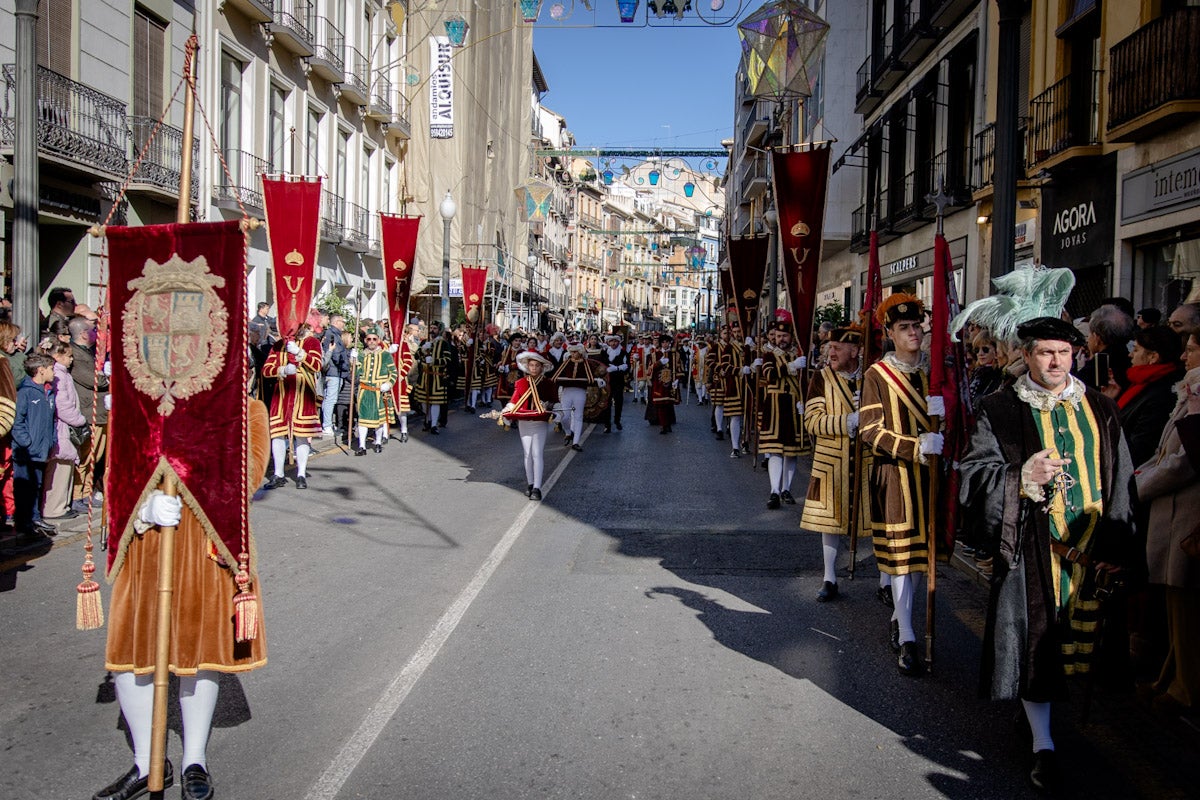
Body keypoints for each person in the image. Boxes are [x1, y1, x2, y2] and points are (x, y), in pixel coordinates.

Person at [959, 316, 1136, 793]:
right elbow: (974, 477)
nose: (1055, 362)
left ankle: (1040, 721)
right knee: (1037, 649)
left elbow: (1122, 480)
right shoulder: (999, 408)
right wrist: (1021, 478)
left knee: (1077, 650)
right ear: (1028, 355)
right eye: (1044, 353)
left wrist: (1118, 546)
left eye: (1063, 352)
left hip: (1092, 553)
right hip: (1034, 548)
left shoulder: (1101, 406)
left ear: (1075, 354)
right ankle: (1044, 745)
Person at [93, 400, 270, 800]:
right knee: (130, 659)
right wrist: (142, 507)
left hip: (207, 546)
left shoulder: (245, 406)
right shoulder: (139, 406)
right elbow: (113, 475)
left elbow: (250, 474)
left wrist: (189, 477)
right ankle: (145, 763)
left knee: (196, 658)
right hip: (145, 545)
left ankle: (195, 759)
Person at [859, 294, 943, 677]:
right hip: (895, 475)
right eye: (904, 328)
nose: (914, 333)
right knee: (901, 556)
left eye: (917, 326)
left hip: (931, 477)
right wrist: (915, 447)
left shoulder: (936, 371)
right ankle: (907, 633)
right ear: (890, 334)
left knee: (923, 556)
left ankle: (901, 615)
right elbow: (870, 431)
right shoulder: (877, 375)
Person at [1134, 332, 1200, 718]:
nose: (1186, 355)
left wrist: (1139, 486)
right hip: (1173, 508)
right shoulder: (1188, 390)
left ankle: (1185, 687)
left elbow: (1184, 461)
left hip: (1188, 510)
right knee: (1177, 604)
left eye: (1192, 349)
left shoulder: (1197, 394)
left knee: (1187, 605)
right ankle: (1170, 677)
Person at [801, 325, 878, 603]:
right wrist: (846, 422)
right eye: (829, 347)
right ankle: (829, 577)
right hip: (832, 461)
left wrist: (868, 411)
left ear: (855, 351)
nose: (830, 352)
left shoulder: (872, 378)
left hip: (867, 461)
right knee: (830, 523)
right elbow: (811, 420)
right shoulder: (821, 378)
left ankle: (886, 582)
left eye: (837, 348)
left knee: (875, 522)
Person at [1104, 325, 1184, 468]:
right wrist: (1109, 401)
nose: (1130, 355)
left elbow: (1138, 449)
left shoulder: (1161, 394)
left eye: (1136, 350)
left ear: (1153, 357)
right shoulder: (1142, 383)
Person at [755, 310, 806, 509]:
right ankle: (774, 491)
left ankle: (786, 488)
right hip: (775, 405)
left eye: (784, 336)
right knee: (775, 450)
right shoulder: (769, 354)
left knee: (791, 452)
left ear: (791, 337)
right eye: (777, 336)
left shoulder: (799, 354)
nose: (780, 339)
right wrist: (791, 366)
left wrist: (805, 399)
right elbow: (769, 375)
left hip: (794, 405)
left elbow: (806, 381)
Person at [261, 325, 323, 489]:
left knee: (301, 434)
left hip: (303, 393)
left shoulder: (312, 342)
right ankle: (279, 474)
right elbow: (266, 370)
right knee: (278, 434)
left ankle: (301, 473)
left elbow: (317, 365)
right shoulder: (279, 345)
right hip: (281, 395)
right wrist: (282, 369)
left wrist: (300, 353)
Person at [500, 350, 559, 501]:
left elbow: (555, 401)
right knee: (527, 453)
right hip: (524, 421)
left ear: (542, 367)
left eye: (537, 365)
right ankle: (530, 484)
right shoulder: (521, 383)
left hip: (539, 422)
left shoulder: (548, 383)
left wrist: (551, 407)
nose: (533, 368)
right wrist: (505, 412)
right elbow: (514, 401)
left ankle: (538, 488)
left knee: (537, 453)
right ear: (527, 367)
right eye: (531, 365)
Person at [11, 353, 58, 538]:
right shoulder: (26, 392)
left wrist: (51, 440)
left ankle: (35, 518)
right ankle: (24, 523)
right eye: (51, 369)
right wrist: (26, 442)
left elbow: (51, 420)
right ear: (41, 370)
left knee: (37, 485)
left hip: (41, 449)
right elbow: (18, 421)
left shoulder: (48, 391)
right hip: (26, 452)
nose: (54, 372)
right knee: (25, 488)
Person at [41, 342, 88, 520]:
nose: (71, 359)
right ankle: (54, 508)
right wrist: (79, 420)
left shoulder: (63, 374)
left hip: (67, 428)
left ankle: (63, 505)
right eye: (69, 356)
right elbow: (62, 404)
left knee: (66, 468)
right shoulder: (58, 375)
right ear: (58, 357)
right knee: (59, 470)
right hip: (62, 428)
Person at [551, 342, 606, 451]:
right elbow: (556, 376)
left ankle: (576, 442)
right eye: (571, 351)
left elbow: (591, 378)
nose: (573, 354)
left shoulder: (586, 363)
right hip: (567, 392)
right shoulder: (566, 362)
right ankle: (568, 432)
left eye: (575, 352)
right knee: (565, 416)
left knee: (578, 416)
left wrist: (597, 381)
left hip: (580, 392)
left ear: (580, 352)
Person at [353, 330, 398, 455]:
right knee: (363, 419)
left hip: (379, 391)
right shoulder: (361, 355)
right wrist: (353, 361)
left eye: (374, 339)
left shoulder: (385, 355)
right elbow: (355, 373)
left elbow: (394, 373)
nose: (371, 341)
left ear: (378, 340)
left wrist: (388, 384)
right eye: (369, 339)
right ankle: (362, 446)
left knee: (378, 420)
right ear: (365, 341)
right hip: (365, 390)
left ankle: (378, 442)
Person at [711, 318, 750, 456]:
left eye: (739, 331)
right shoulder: (728, 347)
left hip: (749, 386)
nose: (736, 334)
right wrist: (739, 370)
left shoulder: (750, 345)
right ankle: (734, 446)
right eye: (734, 332)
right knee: (734, 415)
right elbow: (725, 365)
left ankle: (745, 442)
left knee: (748, 417)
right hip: (733, 385)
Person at [1078, 303, 1135, 392]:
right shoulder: (1130, 360)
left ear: (1097, 338)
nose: (1088, 339)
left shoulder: (1095, 368)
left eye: (1089, 334)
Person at [415, 321, 452, 434]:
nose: (432, 330)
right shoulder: (424, 342)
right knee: (424, 401)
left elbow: (447, 359)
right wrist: (422, 350)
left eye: (435, 328)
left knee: (435, 401)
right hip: (425, 376)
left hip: (437, 377)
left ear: (439, 330)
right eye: (431, 328)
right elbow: (416, 356)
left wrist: (434, 361)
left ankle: (434, 424)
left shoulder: (444, 343)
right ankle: (428, 420)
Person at [645, 336, 682, 434]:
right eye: (663, 342)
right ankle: (663, 425)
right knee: (660, 404)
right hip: (659, 383)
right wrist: (659, 363)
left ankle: (668, 424)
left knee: (668, 404)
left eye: (667, 342)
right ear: (660, 344)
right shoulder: (654, 355)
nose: (665, 344)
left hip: (671, 383)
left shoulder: (675, 355)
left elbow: (679, 369)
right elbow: (649, 370)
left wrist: (677, 380)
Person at [320, 314, 347, 436]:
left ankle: (327, 423)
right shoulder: (332, 335)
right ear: (336, 322)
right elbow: (336, 354)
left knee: (328, 399)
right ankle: (327, 425)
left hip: (333, 371)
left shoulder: (333, 334)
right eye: (342, 321)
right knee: (330, 399)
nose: (343, 324)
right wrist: (344, 365)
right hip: (333, 371)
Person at [601, 333, 629, 433]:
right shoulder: (604, 352)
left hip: (618, 381)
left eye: (615, 341)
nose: (613, 343)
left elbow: (626, 366)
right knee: (606, 403)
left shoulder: (622, 352)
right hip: (607, 382)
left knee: (618, 402)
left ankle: (617, 421)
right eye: (611, 341)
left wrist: (617, 368)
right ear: (608, 342)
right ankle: (607, 424)